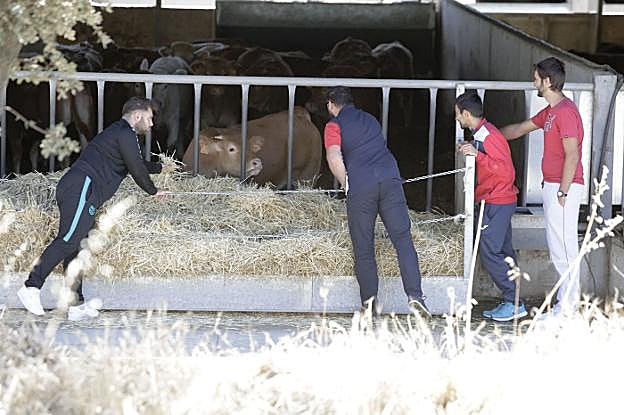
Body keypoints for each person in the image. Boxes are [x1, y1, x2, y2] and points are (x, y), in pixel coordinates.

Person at [17, 97, 168, 317]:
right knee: (68, 239)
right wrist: (153, 191)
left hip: (84, 192)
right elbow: (135, 168)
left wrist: (162, 167)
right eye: (150, 118)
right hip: (81, 188)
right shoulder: (125, 133)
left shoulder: (120, 134)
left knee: (77, 247)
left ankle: (76, 305)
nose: (152, 124)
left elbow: (137, 163)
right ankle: (31, 286)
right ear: (138, 116)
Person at [323, 86, 430, 318]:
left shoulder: (334, 125)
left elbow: (334, 156)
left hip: (362, 184)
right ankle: (415, 296)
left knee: (364, 248)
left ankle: (369, 307)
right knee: (403, 240)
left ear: (331, 105)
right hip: (390, 178)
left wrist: (346, 183)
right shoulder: (370, 119)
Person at [500, 57, 585, 317]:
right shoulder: (550, 112)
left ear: (547, 81)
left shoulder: (566, 111)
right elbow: (518, 130)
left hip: (563, 188)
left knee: (563, 247)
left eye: (536, 78)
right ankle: (566, 304)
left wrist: (563, 191)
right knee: (559, 245)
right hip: (554, 186)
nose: (533, 82)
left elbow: (572, 155)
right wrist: (485, 133)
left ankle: (568, 309)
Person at [455, 92, 526, 321]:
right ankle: (513, 300)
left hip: (496, 201)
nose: (457, 119)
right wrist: (471, 148)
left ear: (466, 114)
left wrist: (477, 155)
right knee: (504, 251)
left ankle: (513, 301)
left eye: (457, 115)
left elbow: (506, 172)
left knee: (489, 250)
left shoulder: (489, 136)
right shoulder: (483, 133)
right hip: (499, 201)